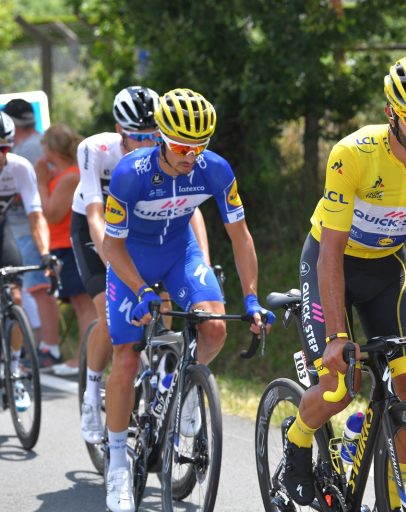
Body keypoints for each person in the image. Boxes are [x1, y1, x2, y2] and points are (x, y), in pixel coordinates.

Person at [280, 53, 406, 508]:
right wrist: (336, 335)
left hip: (387, 267)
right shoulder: (353, 155)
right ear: (392, 113)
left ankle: (391, 498)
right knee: (339, 385)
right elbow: (330, 251)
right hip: (332, 264)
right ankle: (298, 437)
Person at [101, 87, 272, 512]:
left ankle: (189, 393)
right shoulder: (130, 173)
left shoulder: (214, 169)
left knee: (214, 326)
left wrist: (250, 297)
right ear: (160, 136)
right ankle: (118, 461)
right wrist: (141, 290)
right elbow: (112, 246)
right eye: (181, 146)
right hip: (132, 260)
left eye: (199, 146)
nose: (190, 155)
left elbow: (240, 235)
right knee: (125, 355)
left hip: (180, 253)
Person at [74, 85, 212, 445]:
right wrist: (115, 271)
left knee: (164, 300)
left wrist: (205, 264)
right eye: (138, 136)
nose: (146, 141)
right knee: (107, 311)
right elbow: (94, 214)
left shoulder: (166, 157)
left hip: (143, 226)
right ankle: (91, 393)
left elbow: (189, 207)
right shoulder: (95, 150)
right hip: (96, 225)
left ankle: (164, 371)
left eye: (153, 134)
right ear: (120, 131)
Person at [0, 112, 55, 410]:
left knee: (16, 297)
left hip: (3, 230)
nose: (2, 156)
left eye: (5, 148)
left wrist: (45, 254)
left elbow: (36, 217)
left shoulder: (19, 168)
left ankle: (14, 370)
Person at [35, 125, 98, 376]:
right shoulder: (62, 176)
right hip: (60, 246)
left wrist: (40, 182)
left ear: (51, 149)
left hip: (70, 246)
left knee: (84, 304)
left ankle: (84, 358)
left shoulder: (71, 176)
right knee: (78, 302)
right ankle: (85, 355)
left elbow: (51, 213)